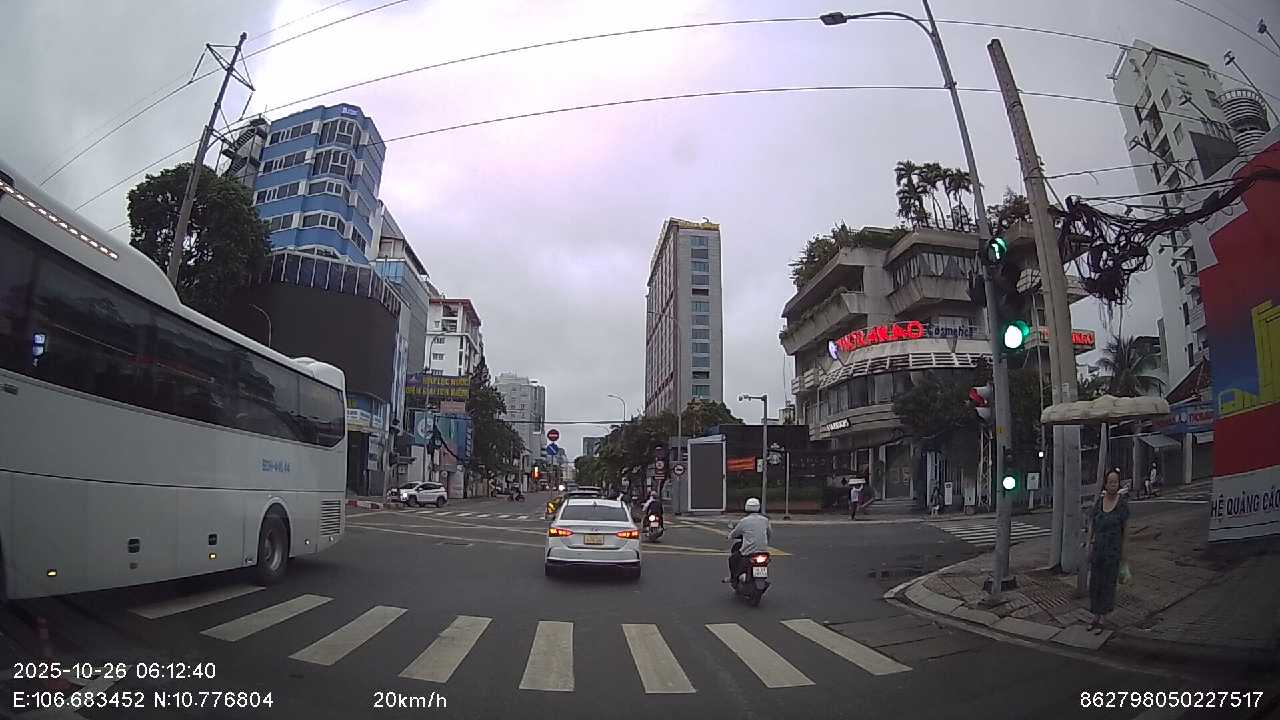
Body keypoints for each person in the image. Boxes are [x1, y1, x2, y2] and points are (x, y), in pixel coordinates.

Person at [1087, 470, 1130, 632]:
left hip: (1113, 551)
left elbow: (1125, 530)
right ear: (1105, 484)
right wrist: (1089, 544)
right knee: (1095, 583)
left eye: (1115, 482)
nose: (1113, 485)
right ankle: (1095, 615)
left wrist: (1124, 552)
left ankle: (1103, 617)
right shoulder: (1099, 503)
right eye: (1110, 482)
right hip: (1098, 549)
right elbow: (1092, 524)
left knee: (1108, 584)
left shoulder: (1122, 505)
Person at [725, 497, 772, 583]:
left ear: (746, 507)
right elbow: (769, 533)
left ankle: (733, 578)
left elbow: (735, 532)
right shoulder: (765, 520)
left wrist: (729, 536)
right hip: (763, 551)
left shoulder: (744, 521)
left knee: (732, 559)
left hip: (748, 552)